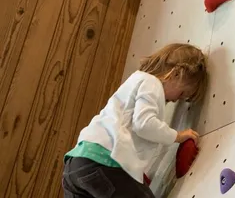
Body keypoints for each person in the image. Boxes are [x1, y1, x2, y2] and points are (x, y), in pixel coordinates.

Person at [62, 43, 208, 198]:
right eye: (182, 93)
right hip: (103, 161)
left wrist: (135, 172)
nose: (176, 100)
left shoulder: (135, 80)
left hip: (76, 166)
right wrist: (177, 136)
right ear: (176, 74)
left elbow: (129, 128)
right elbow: (144, 124)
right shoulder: (152, 83)